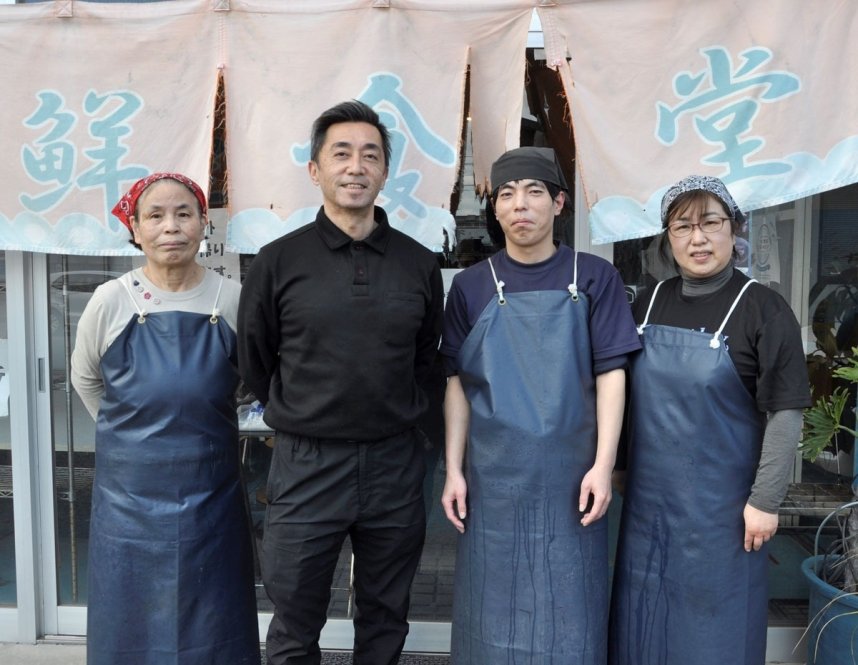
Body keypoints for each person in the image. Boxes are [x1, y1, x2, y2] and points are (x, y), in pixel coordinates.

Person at [237, 100, 444, 665]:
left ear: (385, 171)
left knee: (385, 617)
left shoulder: (419, 264)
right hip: (306, 463)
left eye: (370, 155)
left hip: (395, 466)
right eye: (342, 154)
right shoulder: (277, 262)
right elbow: (255, 361)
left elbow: (425, 359)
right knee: (294, 620)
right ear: (315, 169)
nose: (356, 167)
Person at [440, 147, 641, 663]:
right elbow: (458, 383)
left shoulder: (596, 277)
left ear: (559, 202)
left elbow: (611, 373)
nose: (519, 205)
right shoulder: (470, 285)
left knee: (571, 610)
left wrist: (604, 464)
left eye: (533, 192)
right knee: (491, 610)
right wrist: (453, 470)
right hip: (493, 479)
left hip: (573, 479)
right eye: (506, 195)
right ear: (496, 210)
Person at [609, 175, 811, 665]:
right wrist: (615, 466)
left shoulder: (763, 308)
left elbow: (785, 413)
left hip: (725, 516)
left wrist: (766, 500)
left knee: (712, 636)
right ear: (667, 237)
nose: (697, 239)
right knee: (643, 627)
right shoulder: (646, 302)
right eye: (683, 226)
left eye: (711, 223)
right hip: (648, 510)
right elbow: (623, 397)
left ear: (734, 228)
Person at [71, 173, 260, 665]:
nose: (170, 226)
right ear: (134, 228)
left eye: (183, 214)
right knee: (127, 616)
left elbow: (250, 381)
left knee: (214, 613)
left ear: (203, 224)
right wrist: (126, 433)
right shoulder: (111, 299)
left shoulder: (232, 298)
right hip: (126, 499)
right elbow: (86, 378)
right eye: (155, 216)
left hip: (211, 491)